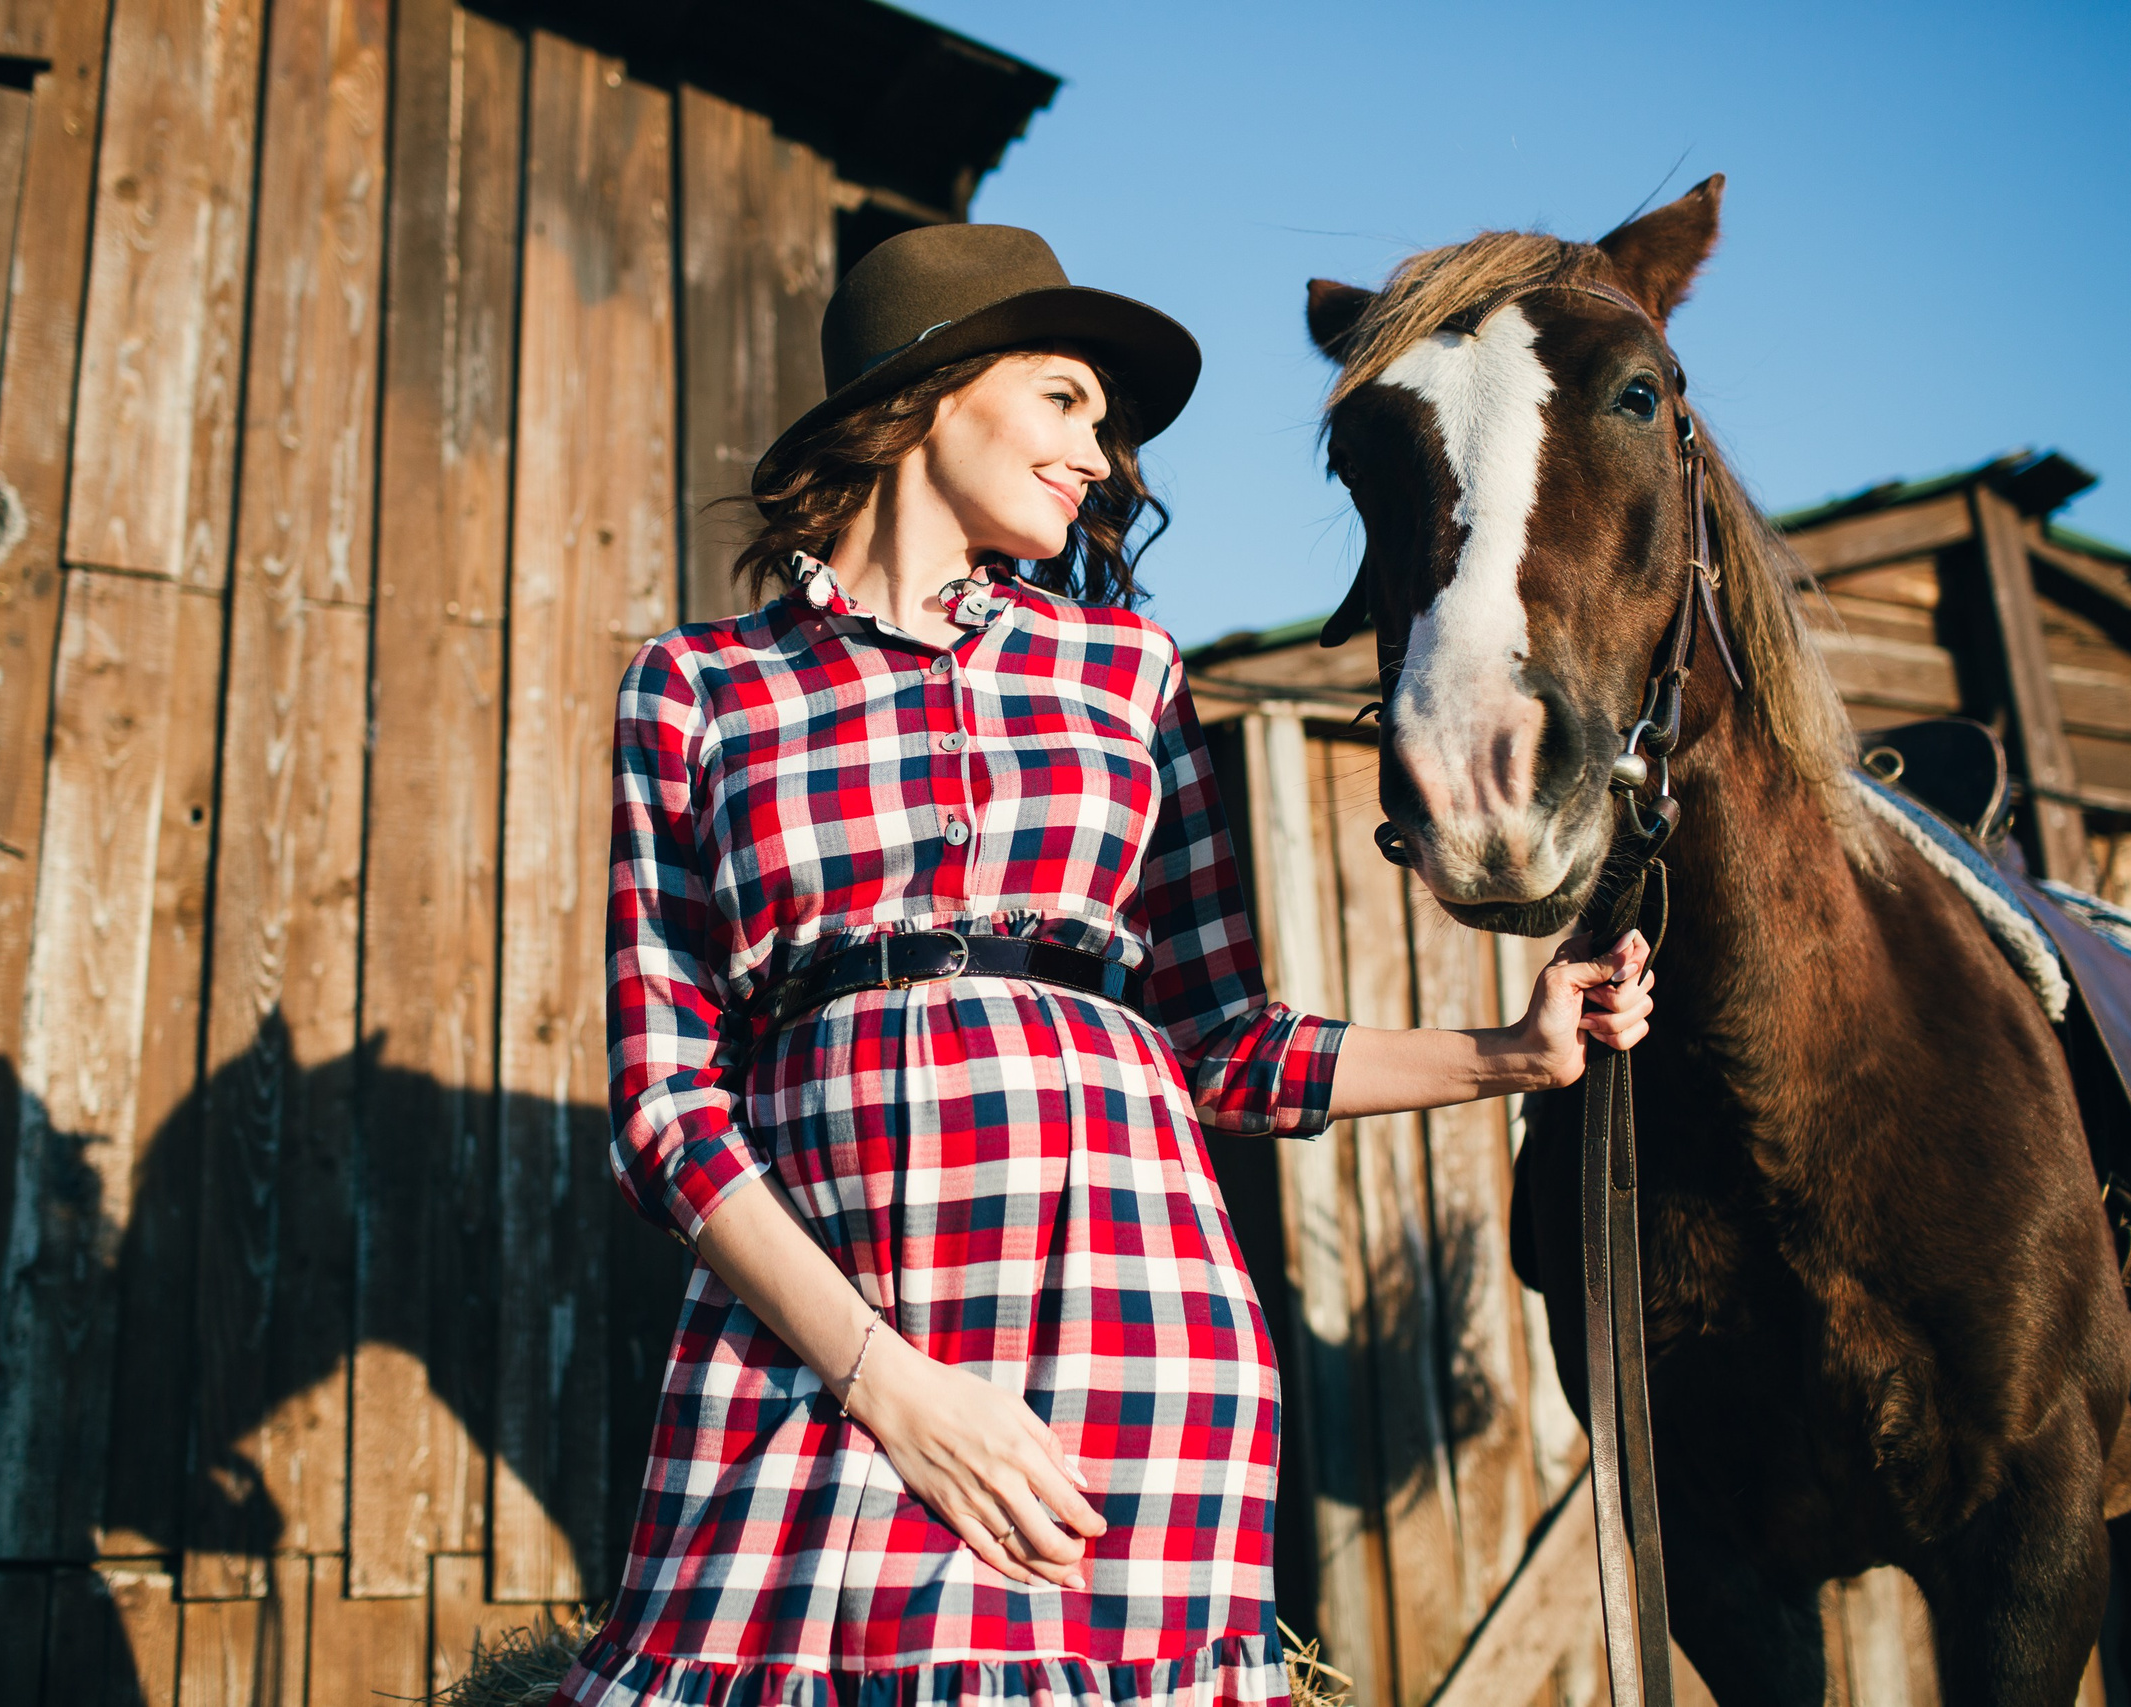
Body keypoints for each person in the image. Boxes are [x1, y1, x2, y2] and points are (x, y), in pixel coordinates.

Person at [553, 224, 1651, 1707]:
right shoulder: (698, 687)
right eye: (1067, 398)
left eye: (1105, 424)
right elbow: (665, 1111)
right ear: (929, 391)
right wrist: (890, 1383)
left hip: (1131, 1317)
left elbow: (1222, 1044)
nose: (1101, 451)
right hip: (817, 1338)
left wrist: (1508, 1055)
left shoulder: (1125, 670)